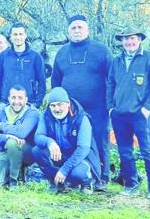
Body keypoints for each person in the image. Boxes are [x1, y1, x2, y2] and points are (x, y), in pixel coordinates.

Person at [51, 15, 112, 189]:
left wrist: (110, 104)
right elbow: (56, 82)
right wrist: (60, 104)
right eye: (73, 28)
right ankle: (76, 176)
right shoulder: (62, 53)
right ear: (68, 31)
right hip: (71, 110)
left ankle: (103, 177)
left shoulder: (101, 50)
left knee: (100, 140)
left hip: (98, 106)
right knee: (73, 141)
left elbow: (112, 78)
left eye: (80, 27)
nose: (77, 31)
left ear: (87, 29)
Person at [107, 27, 150, 200]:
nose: (129, 42)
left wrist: (146, 109)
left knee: (149, 152)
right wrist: (110, 108)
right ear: (121, 42)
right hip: (119, 115)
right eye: (125, 39)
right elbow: (110, 84)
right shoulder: (116, 61)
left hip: (140, 115)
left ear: (139, 39)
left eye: (132, 38)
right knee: (125, 152)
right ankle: (131, 185)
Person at [33, 87, 101, 194]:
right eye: (53, 105)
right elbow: (38, 136)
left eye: (60, 104)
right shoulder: (46, 115)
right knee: (37, 151)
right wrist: (50, 142)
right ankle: (57, 182)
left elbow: (83, 149)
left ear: (68, 103)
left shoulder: (81, 118)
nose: (56, 109)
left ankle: (87, 182)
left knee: (77, 173)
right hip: (60, 155)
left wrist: (64, 170)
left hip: (81, 158)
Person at [0, 85, 39, 188]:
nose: (16, 101)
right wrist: (6, 136)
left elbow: (22, 133)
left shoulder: (33, 113)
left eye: (20, 98)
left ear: (26, 99)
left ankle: (13, 181)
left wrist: (2, 126)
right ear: (9, 99)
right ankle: (9, 172)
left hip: (26, 151)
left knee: (12, 143)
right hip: (4, 151)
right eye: (13, 97)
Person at [0, 23, 46, 108]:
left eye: (20, 34)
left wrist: (37, 104)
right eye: (15, 34)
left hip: (29, 103)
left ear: (25, 35)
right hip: (6, 103)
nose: (18, 37)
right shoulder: (3, 56)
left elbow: (42, 82)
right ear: (10, 37)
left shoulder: (35, 57)